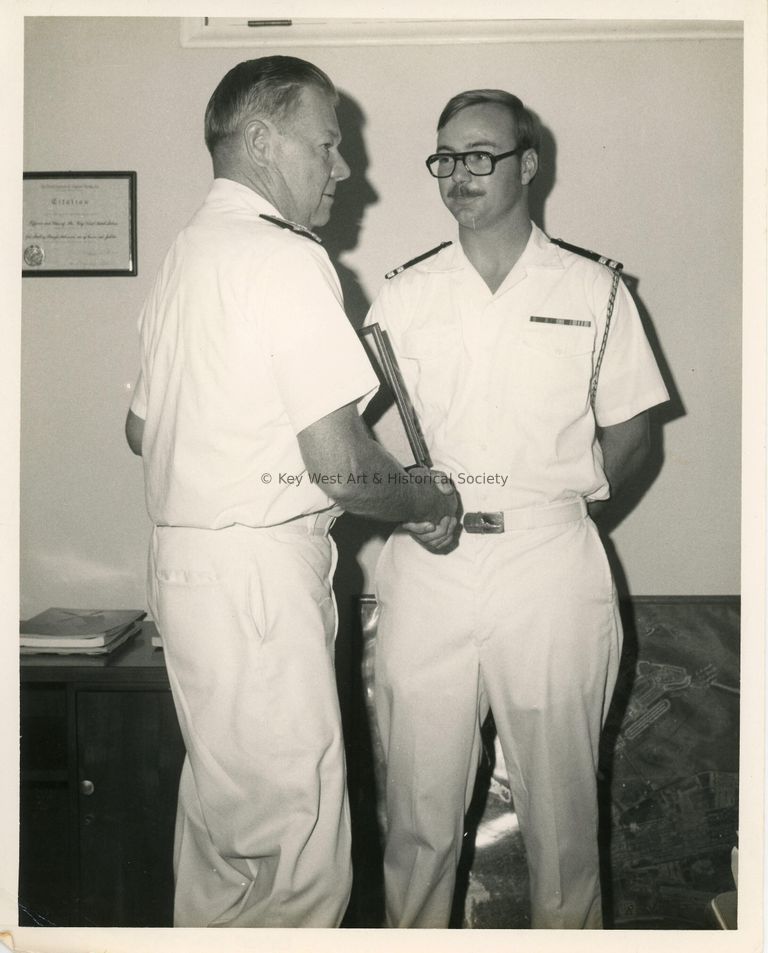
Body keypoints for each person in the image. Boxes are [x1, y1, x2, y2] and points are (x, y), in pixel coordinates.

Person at [124, 56, 458, 929]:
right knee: (300, 866)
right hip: (257, 580)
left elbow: (139, 430)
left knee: (223, 851)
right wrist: (428, 497)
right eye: (328, 144)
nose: (344, 170)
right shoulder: (284, 258)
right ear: (263, 141)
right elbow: (343, 466)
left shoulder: (185, 255)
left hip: (187, 571)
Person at [365, 89, 669, 929]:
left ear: (527, 164)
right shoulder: (403, 295)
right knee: (420, 821)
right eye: (446, 158)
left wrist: (560, 510)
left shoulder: (595, 289)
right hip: (430, 572)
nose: (459, 175)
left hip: (551, 566)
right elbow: (344, 438)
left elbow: (634, 435)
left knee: (564, 823)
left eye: (480, 155)